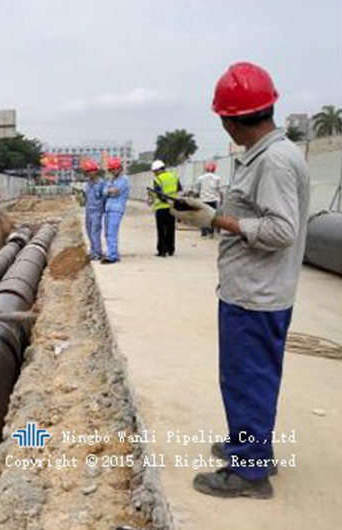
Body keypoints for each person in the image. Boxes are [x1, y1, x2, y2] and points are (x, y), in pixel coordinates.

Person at [172, 62, 309, 499]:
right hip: (251, 289)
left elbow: (281, 232)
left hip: (256, 295)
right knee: (249, 376)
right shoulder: (268, 156)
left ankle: (249, 473)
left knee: (246, 377)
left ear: (229, 120)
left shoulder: (274, 163)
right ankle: (250, 448)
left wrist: (217, 219)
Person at [149, 160, 182, 257]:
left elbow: (159, 194)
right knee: (171, 228)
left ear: (158, 170)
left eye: (155, 171)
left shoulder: (158, 180)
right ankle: (171, 249)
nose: (155, 174)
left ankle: (162, 251)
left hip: (161, 207)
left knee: (161, 230)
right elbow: (179, 190)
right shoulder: (174, 177)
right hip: (172, 207)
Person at [102, 157, 130, 264]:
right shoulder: (112, 180)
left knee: (112, 232)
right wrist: (109, 191)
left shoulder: (124, 180)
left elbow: (116, 192)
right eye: (111, 169)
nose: (113, 171)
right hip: (108, 208)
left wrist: (109, 191)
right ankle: (111, 252)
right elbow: (105, 192)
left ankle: (112, 256)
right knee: (107, 233)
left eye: (114, 169)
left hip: (117, 209)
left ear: (120, 168)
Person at [82, 159, 105, 260]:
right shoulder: (88, 184)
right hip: (89, 211)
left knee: (95, 231)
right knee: (89, 231)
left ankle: (97, 253)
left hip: (97, 211)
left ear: (95, 171)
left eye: (91, 171)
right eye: (87, 171)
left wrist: (102, 210)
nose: (89, 173)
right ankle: (93, 251)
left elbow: (104, 198)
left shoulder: (101, 184)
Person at [196, 161, 223, 237]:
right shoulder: (217, 178)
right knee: (212, 216)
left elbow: (197, 189)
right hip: (214, 200)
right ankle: (211, 231)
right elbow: (219, 189)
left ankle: (204, 232)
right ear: (214, 169)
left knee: (203, 215)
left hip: (203, 199)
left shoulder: (200, 178)